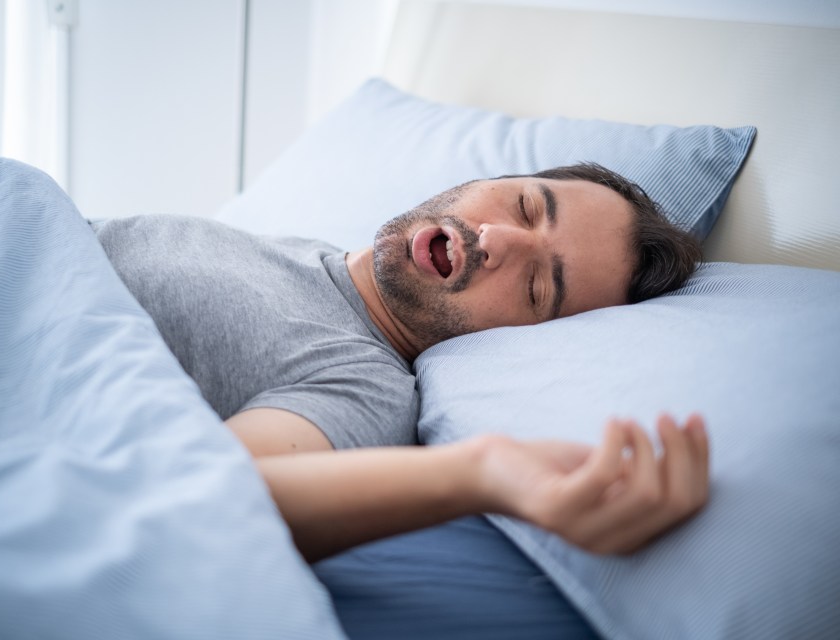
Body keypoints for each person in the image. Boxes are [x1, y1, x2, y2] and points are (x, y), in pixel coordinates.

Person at [93, 162, 709, 563]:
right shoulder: (309, 253)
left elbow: (218, 495)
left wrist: (483, 472)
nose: (498, 239)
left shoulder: (367, 385)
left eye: (538, 289)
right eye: (524, 205)